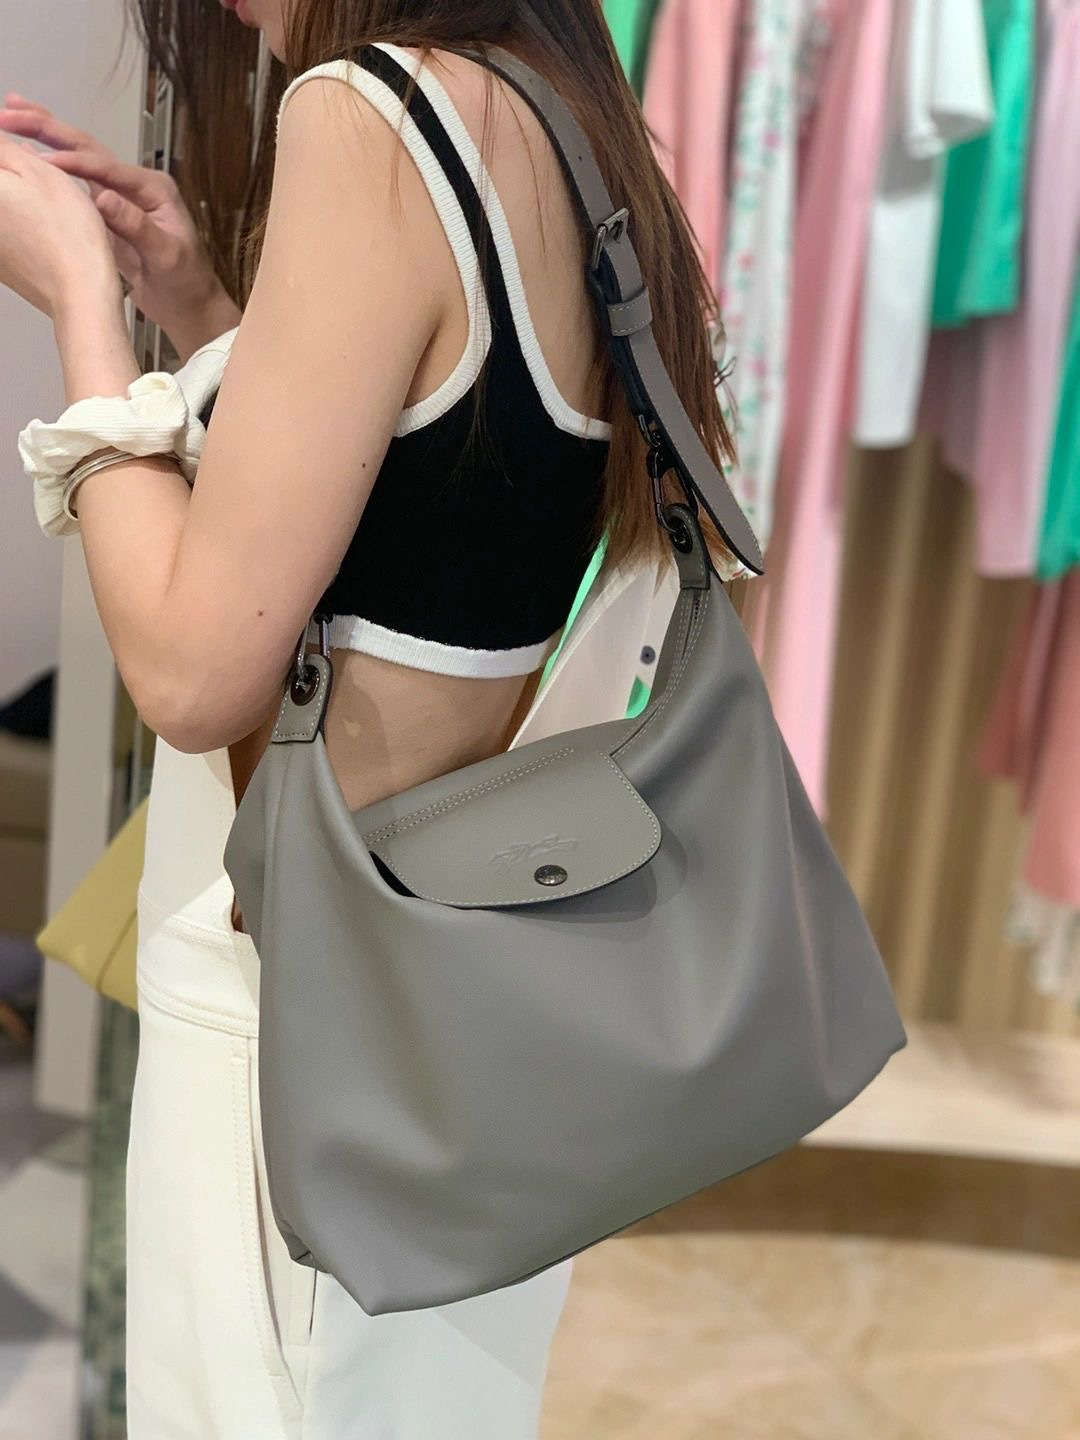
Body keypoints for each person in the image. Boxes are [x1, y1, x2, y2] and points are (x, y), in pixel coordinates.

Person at [0, 1, 736, 1433]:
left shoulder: (366, 115)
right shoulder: (559, 106)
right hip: (476, 1007)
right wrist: (203, 310)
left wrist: (84, 309)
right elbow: (432, 511)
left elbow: (196, 674)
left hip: (303, 1006)